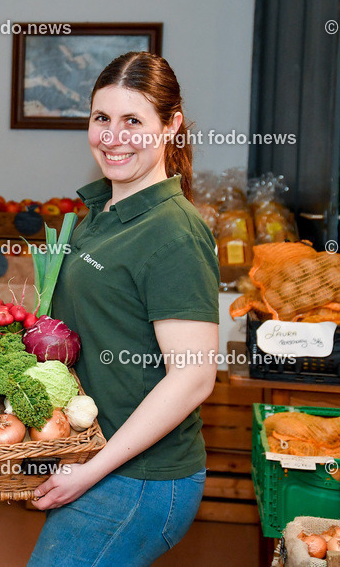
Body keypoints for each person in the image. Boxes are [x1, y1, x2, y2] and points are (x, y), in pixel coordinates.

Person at [28, 51, 220, 567]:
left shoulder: (174, 233)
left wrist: (91, 471)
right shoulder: (103, 212)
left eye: (133, 121)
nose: (113, 137)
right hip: (98, 457)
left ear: (171, 126)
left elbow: (194, 377)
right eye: (102, 118)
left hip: (138, 477)